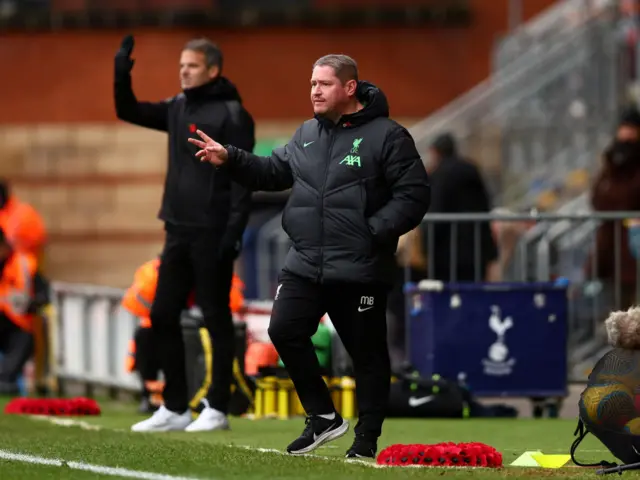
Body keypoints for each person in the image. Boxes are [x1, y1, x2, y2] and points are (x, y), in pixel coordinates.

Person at [189, 54, 431, 457]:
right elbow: (272, 172)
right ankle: (322, 417)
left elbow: (415, 195)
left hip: (359, 267)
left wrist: (371, 232)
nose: (314, 91)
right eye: (312, 84)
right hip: (305, 262)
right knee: (283, 330)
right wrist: (230, 158)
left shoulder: (388, 136)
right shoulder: (306, 134)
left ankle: (366, 440)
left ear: (349, 88)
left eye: (324, 84)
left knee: (366, 355)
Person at [114, 35, 256, 432]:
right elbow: (128, 110)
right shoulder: (178, 107)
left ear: (212, 69)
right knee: (161, 314)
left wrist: (234, 231)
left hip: (213, 232)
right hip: (177, 229)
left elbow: (244, 180)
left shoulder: (232, 112)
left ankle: (218, 407)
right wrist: (121, 74)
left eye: (191, 66)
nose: (183, 72)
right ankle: (175, 406)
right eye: (181, 66)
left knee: (215, 317)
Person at [0, 227, 38, 394]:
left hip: (17, 325)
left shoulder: (24, 264)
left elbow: (41, 292)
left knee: (23, 340)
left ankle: (7, 380)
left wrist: (35, 302)